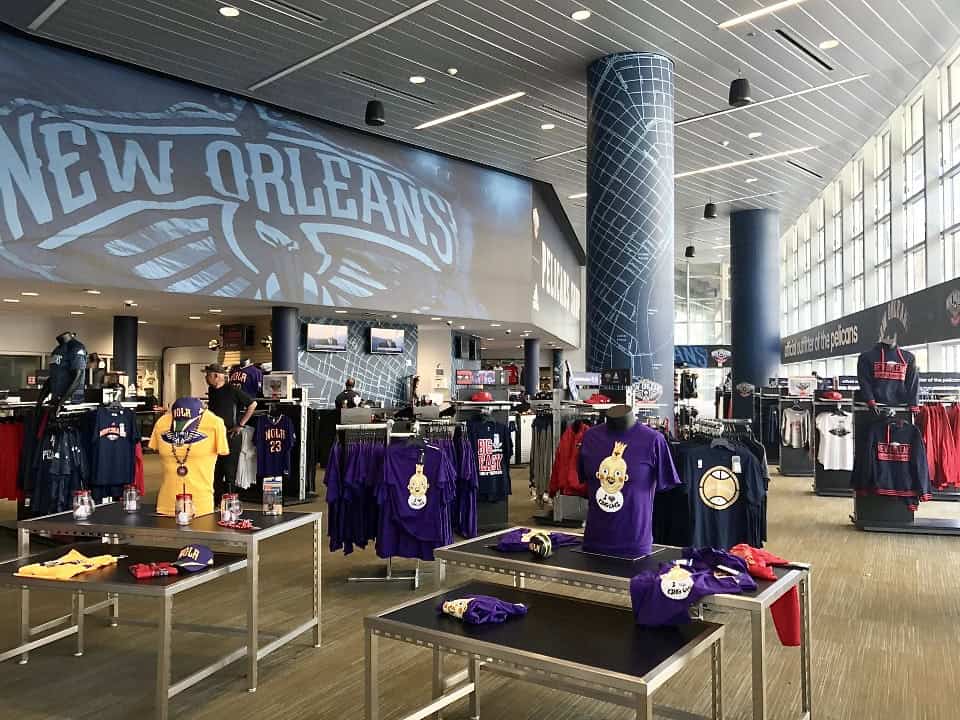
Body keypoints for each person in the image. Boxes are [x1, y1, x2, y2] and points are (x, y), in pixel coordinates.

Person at [204, 363, 257, 501]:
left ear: (216, 376)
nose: (206, 378)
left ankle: (230, 502)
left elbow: (252, 404)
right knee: (215, 470)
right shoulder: (211, 390)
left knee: (229, 472)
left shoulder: (232, 390)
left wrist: (240, 424)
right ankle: (215, 500)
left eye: (208, 375)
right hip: (214, 436)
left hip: (230, 435)